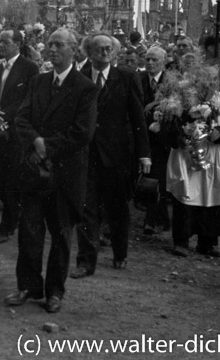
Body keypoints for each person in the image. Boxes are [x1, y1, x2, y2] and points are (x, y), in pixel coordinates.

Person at [5, 28, 97, 314]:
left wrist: (48, 145)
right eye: (50, 44)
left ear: (73, 50)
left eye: (58, 45)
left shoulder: (85, 87)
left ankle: (54, 292)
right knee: (29, 232)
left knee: (60, 234)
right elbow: (21, 118)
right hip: (35, 170)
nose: (52, 49)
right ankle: (28, 286)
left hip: (65, 173)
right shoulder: (39, 81)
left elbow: (83, 133)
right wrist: (36, 141)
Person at [72, 33, 150, 277]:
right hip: (86, 154)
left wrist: (144, 154)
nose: (104, 53)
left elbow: (138, 118)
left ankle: (120, 253)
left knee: (117, 208)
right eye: (98, 49)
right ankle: (86, 261)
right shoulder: (80, 78)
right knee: (87, 208)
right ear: (89, 52)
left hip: (116, 156)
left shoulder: (126, 78)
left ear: (115, 53)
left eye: (108, 49)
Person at [163, 63, 220, 257]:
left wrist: (219, 134)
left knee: (211, 195)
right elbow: (170, 124)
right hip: (188, 155)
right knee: (187, 195)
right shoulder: (182, 99)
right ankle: (181, 241)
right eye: (206, 81)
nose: (211, 85)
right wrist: (182, 136)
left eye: (215, 81)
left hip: (214, 155)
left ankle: (207, 241)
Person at [0, 29, 39, 243]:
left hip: (15, 131)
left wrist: (4, 116)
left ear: (17, 44)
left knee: (11, 178)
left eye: (5, 42)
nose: (1, 45)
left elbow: (28, 99)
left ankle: (7, 225)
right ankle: (13, 218)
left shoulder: (28, 68)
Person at [140, 46, 171, 235]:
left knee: (157, 177)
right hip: (142, 133)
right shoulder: (139, 78)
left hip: (162, 137)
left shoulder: (171, 81)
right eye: (148, 59)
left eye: (155, 60)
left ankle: (151, 219)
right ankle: (160, 217)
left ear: (164, 62)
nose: (150, 63)